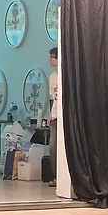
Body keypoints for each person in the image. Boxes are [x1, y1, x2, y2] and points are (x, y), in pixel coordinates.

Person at [47, 47, 60, 187]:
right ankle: (56, 175)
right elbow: (54, 99)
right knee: (52, 147)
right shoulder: (52, 77)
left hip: (64, 116)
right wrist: (51, 115)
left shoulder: (65, 74)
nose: (50, 59)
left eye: (52, 56)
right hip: (55, 116)